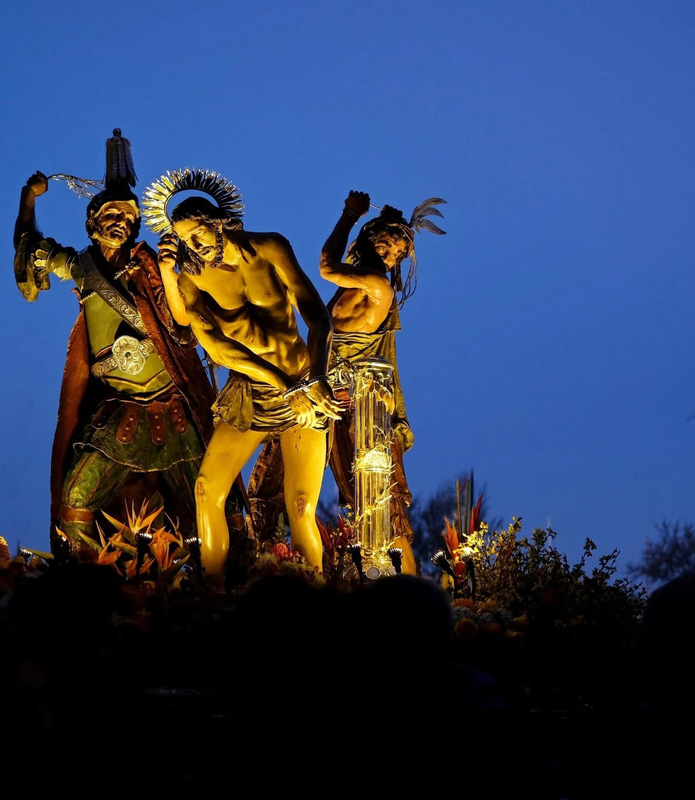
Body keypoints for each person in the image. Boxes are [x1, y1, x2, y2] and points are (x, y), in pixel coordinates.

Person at [12, 131, 244, 560]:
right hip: (116, 413)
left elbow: (190, 313)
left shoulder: (156, 268)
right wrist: (29, 201)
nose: (120, 220)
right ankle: (92, 585)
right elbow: (28, 256)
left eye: (127, 215)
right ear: (92, 221)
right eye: (111, 213)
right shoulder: (81, 267)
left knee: (225, 504)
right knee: (76, 499)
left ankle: (227, 584)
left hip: (174, 411)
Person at [148, 170, 341, 581]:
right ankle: (211, 595)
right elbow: (213, 345)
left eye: (197, 234)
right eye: (184, 241)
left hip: (304, 383)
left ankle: (317, 595)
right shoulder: (192, 274)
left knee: (303, 504)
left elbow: (317, 314)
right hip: (252, 391)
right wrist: (282, 384)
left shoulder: (270, 247)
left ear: (219, 223)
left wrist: (317, 377)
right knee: (206, 490)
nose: (193, 246)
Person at [316, 190, 445, 574]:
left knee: (380, 504)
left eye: (395, 255)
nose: (388, 257)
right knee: (364, 504)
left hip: (361, 405)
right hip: (337, 400)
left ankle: (408, 584)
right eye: (385, 246)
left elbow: (325, 265)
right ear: (367, 242)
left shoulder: (376, 284)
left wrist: (348, 214)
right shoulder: (355, 287)